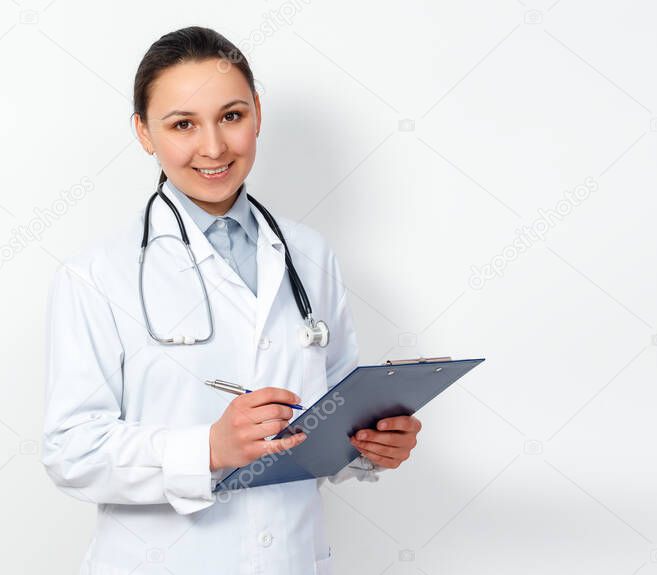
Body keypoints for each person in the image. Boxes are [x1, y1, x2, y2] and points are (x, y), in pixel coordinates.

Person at [41, 26, 422, 574]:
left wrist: (368, 444)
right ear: (144, 133)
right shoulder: (95, 276)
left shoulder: (310, 255)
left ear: (257, 114)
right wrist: (210, 449)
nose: (214, 147)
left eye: (232, 116)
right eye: (182, 125)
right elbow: (71, 452)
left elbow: (330, 403)